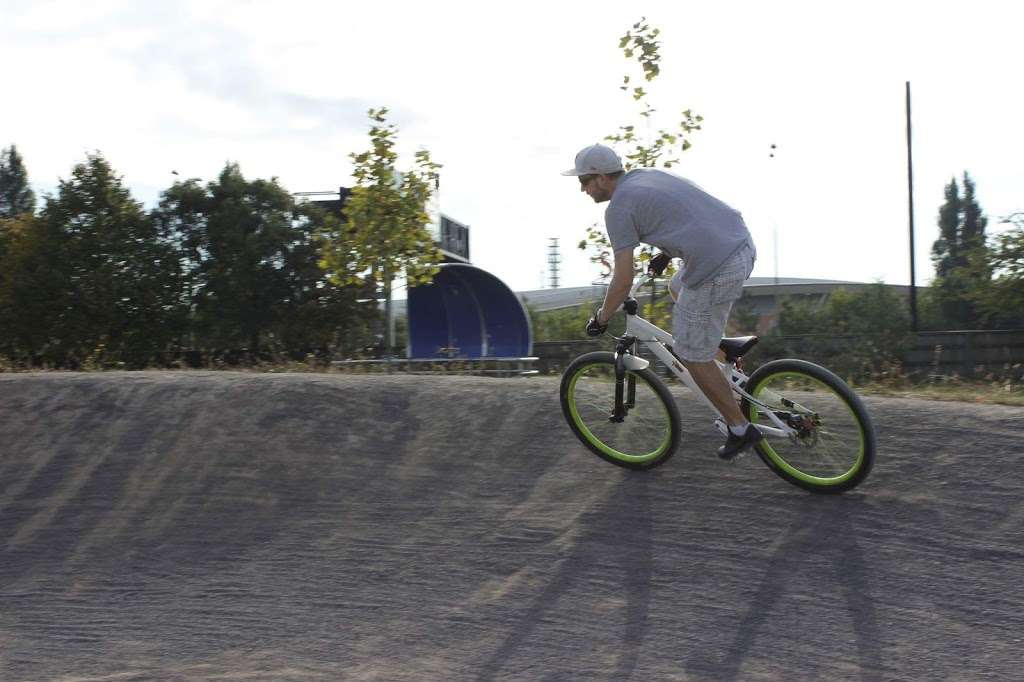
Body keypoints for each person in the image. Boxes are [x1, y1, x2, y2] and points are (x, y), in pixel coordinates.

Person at [563, 143, 761, 460]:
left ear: (600, 178)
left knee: (689, 354)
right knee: (677, 285)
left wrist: (601, 318)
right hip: (740, 243)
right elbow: (687, 212)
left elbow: (623, 279)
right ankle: (722, 353)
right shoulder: (646, 175)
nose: (582, 189)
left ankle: (740, 427)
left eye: (583, 182)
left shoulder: (617, 210)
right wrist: (665, 254)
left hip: (717, 267)